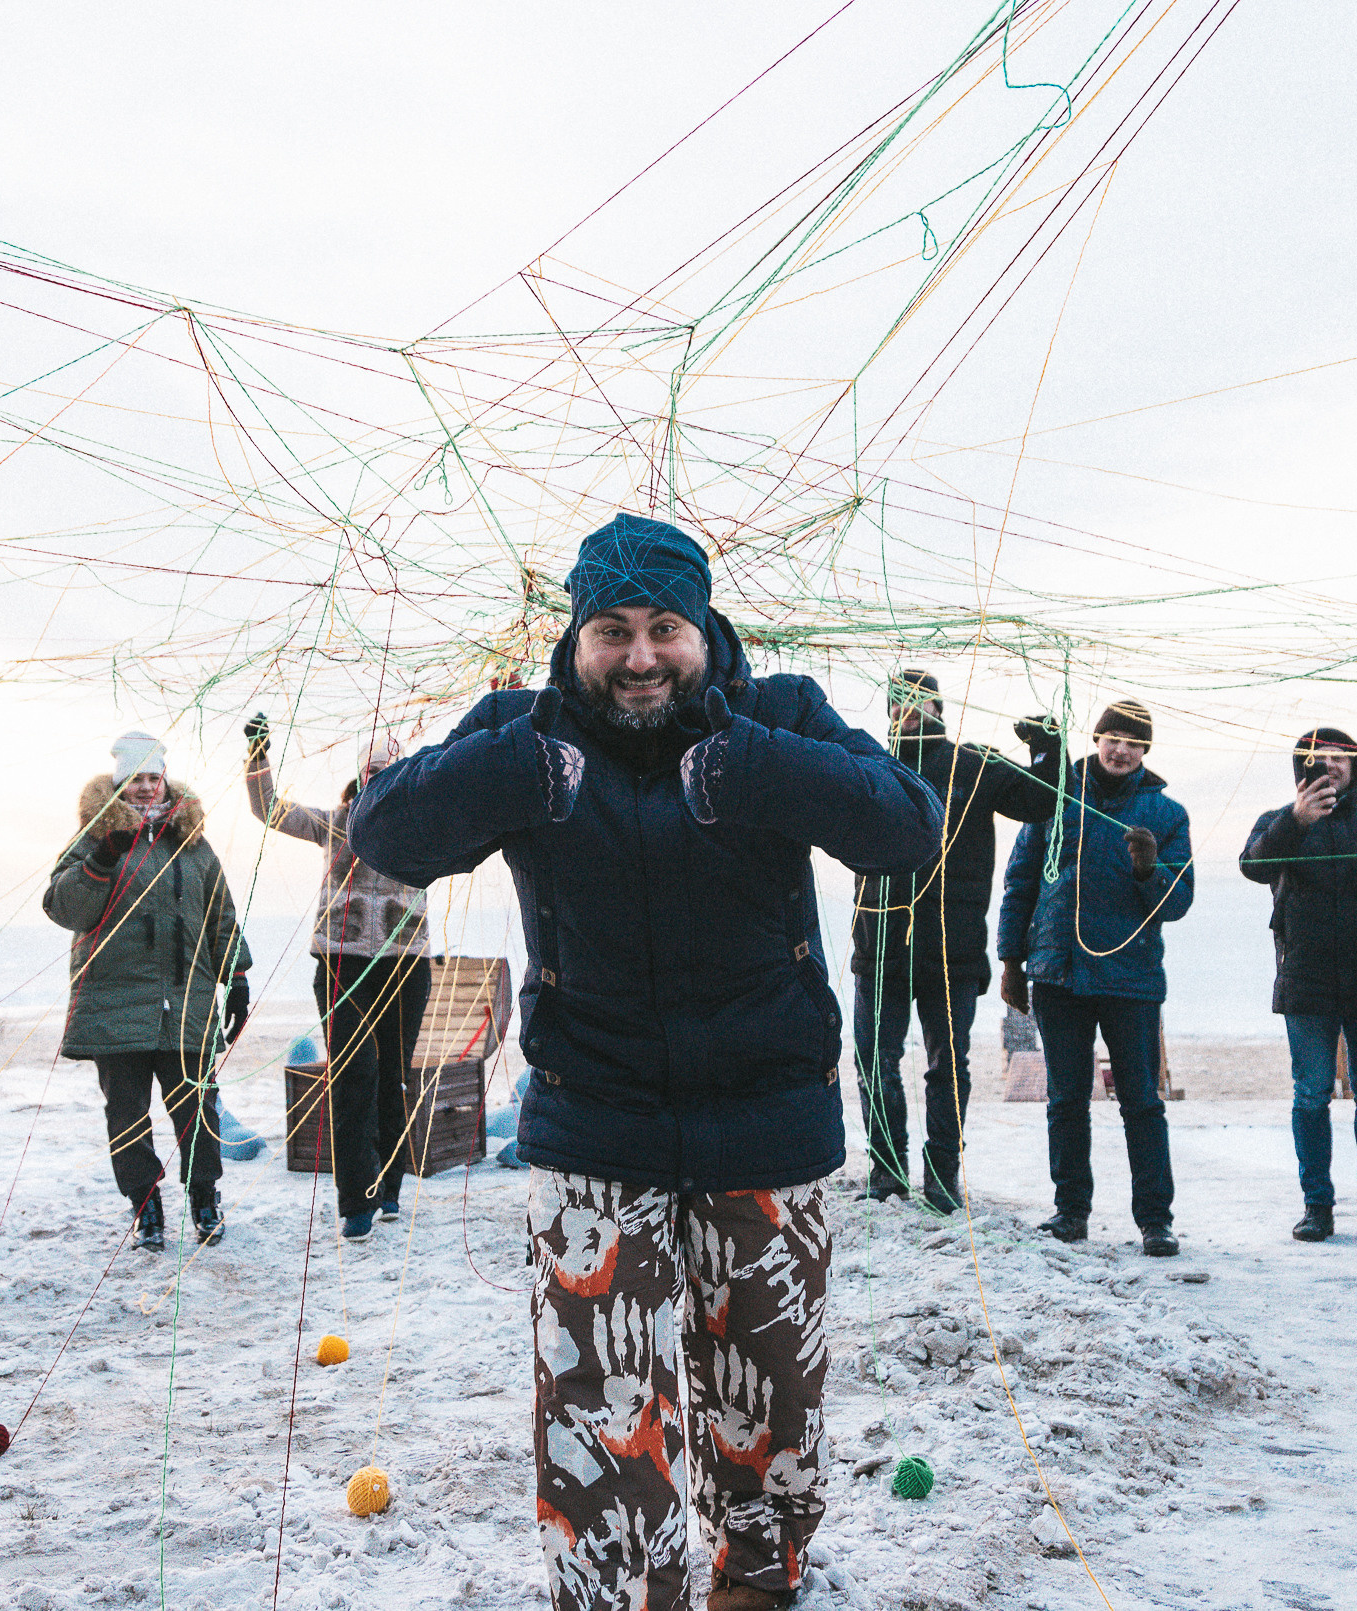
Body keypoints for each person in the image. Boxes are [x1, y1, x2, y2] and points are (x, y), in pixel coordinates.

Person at [350, 513, 940, 1611]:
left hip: (767, 1117)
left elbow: (908, 825)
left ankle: (755, 1580)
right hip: (595, 1122)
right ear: (574, 638)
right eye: (611, 630)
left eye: (664, 627)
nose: (639, 655)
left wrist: (756, 767)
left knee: (770, 1396)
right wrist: (517, 770)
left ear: (703, 630)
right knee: (599, 1406)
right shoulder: (523, 733)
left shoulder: (781, 716)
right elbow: (386, 834)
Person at [849, 669, 1059, 1211]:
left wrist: (1047, 748)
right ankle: (887, 1169)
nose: (908, 710)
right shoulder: (867, 763)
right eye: (898, 702)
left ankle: (942, 1174)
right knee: (875, 1061)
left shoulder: (974, 764)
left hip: (952, 952)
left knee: (947, 1066)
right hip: (879, 948)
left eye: (919, 701)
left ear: (939, 708)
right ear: (888, 711)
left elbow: (1041, 802)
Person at [997, 701, 1193, 1255]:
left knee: (1142, 1103)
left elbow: (1180, 902)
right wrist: (1011, 961)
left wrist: (1149, 869)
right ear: (1097, 739)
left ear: (1145, 750)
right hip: (1057, 973)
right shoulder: (1054, 797)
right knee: (1066, 1100)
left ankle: (1155, 1220)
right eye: (1113, 738)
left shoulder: (1167, 814)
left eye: (1133, 742)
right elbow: (1020, 883)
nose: (1121, 750)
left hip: (1131, 979)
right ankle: (1070, 1212)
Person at [45, 731, 251, 1252]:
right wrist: (101, 860)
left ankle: (204, 1198)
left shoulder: (192, 843)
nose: (144, 787)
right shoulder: (94, 837)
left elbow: (220, 914)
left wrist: (236, 977)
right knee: (126, 1114)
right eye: (134, 779)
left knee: (197, 1108)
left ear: (165, 781)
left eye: (152, 777)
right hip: (114, 1002)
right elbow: (64, 908)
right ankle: (145, 1207)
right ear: (119, 784)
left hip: (185, 1002)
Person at [246, 714, 430, 1242]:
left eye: (390, 770)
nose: (380, 778)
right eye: (372, 771)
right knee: (354, 1075)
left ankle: (389, 1188)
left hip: (405, 965)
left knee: (394, 1077)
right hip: (341, 963)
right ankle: (356, 1203)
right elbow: (269, 808)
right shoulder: (335, 822)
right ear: (360, 777)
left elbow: (481, 810)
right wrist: (258, 755)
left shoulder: (425, 826)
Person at [1242, 727, 1357, 1244]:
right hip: (1305, 979)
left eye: (1340, 757)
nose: (1330, 764)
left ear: (1355, 767)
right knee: (1310, 1095)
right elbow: (1253, 866)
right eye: (1318, 757)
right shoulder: (1278, 820)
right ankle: (1317, 1207)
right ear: (1302, 768)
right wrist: (1296, 821)